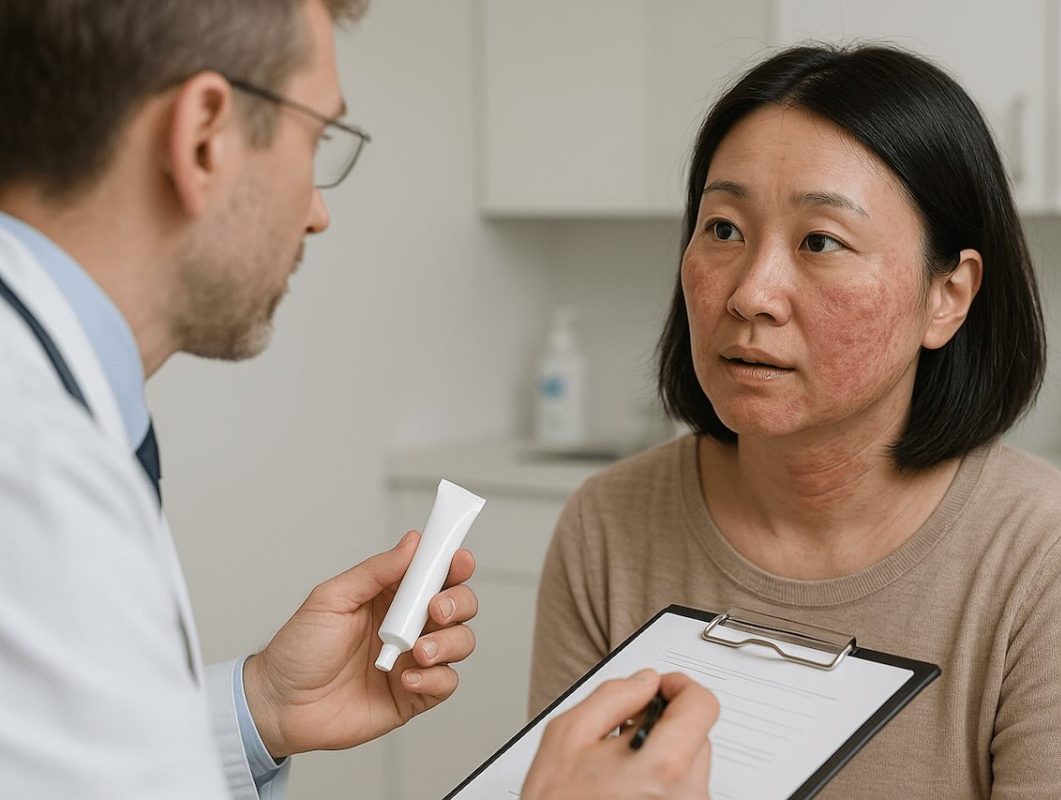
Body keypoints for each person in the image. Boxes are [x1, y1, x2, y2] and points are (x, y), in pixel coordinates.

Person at [0, 1, 716, 797]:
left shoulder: (46, 421)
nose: (319, 211)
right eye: (316, 138)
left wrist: (259, 709)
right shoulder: (33, 474)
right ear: (204, 134)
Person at [531, 44, 1061, 798]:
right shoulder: (606, 526)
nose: (751, 294)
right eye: (723, 229)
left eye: (820, 242)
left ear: (947, 296)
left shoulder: (1052, 562)